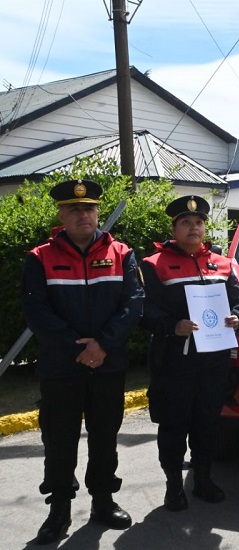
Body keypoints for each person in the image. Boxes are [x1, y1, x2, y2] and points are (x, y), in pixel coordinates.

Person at [21, 179, 144, 544]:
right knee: (59, 441)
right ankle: (58, 508)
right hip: (62, 366)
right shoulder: (39, 257)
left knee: (105, 438)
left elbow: (133, 303)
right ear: (61, 214)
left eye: (89, 208)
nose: (83, 214)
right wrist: (80, 348)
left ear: (97, 213)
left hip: (107, 364)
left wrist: (102, 346)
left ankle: (103, 501)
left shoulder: (122, 252)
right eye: (74, 209)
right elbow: (36, 310)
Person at [140, 196, 239, 511]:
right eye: (186, 223)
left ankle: (203, 479)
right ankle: (174, 486)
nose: (193, 227)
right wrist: (172, 326)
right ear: (174, 228)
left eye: (198, 222)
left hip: (213, 360)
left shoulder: (223, 263)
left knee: (208, 422)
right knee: (174, 424)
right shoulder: (153, 264)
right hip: (175, 360)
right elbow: (144, 310)